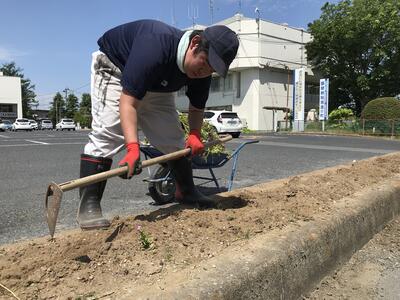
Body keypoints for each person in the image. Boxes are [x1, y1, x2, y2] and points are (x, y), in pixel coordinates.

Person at [77, 19, 239, 230]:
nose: (205, 72)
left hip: (158, 85)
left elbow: (197, 108)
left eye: (213, 70)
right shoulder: (155, 45)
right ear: (195, 43)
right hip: (116, 67)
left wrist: (195, 134)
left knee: (173, 139)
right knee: (109, 134)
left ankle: (186, 191)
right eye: (205, 63)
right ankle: (88, 204)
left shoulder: (202, 72)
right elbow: (128, 103)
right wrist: (133, 147)